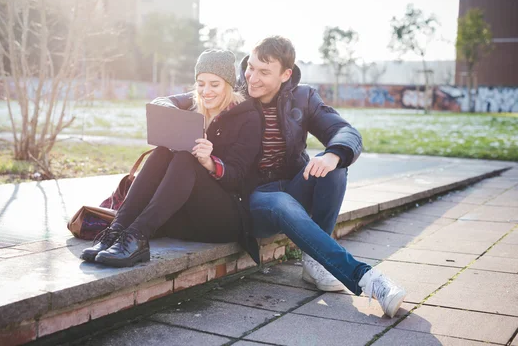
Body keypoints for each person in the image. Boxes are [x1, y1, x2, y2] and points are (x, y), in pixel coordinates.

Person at [240, 36, 406, 318]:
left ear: (286, 74)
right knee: (280, 202)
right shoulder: (233, 95)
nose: (252, 78)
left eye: (264, 72)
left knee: (334, 166)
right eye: (250, 68)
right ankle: (367, 279)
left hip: (292, 189)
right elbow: (186, 98)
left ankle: (313, 261)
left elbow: (346, 131)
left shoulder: (303, 97)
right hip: (253, 200)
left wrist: (333, 154)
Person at [80, 49, 262, 267]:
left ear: (229, 84)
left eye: (215, 84)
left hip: (223, 220)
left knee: (187, 159)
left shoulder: (248, 117)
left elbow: (237, 177)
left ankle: (137, 237)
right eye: (201, 83)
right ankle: (116, 231)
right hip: (184, 217)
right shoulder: (194, 107)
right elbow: (163, 101)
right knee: (163, 151)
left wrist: (209, 162)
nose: (206, 91)